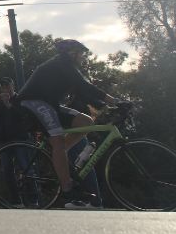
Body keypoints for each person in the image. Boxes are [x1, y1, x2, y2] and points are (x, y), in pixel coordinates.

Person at [16, 38, 122, 209]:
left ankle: (60, 153)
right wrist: (114, 100)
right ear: (71, 53)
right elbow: (83, 84)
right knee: (56, 139)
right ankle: (67, 189)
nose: (83, 57)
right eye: (81, 53)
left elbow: (83, 91)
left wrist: (106, 105)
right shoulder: (62, 63)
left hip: (50, 104)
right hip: (33, 102)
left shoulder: (67, 67)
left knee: (86, 121)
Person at [0, 76, 38, 206]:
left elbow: (23, 116)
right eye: (3, 87)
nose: (5, 89)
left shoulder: (20, 99)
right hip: (4, 141)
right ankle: (16, 200)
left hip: (20, 139)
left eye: (7, 86)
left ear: (13, 86)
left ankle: (33, 200)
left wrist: (9, 105)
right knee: (7, 171)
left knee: (27, 169)